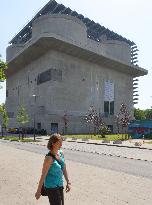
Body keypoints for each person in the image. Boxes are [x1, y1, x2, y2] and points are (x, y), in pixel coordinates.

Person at [35, 133, 71, 205]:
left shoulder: (60, 153)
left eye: (61, 142)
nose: (61, 145)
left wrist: (68, 182)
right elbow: (43, 175)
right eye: (59, 143)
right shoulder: (49, 158)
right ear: (53, 143)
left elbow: (64, 167)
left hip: (60, 184)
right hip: (51, 186)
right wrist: (38, 190)